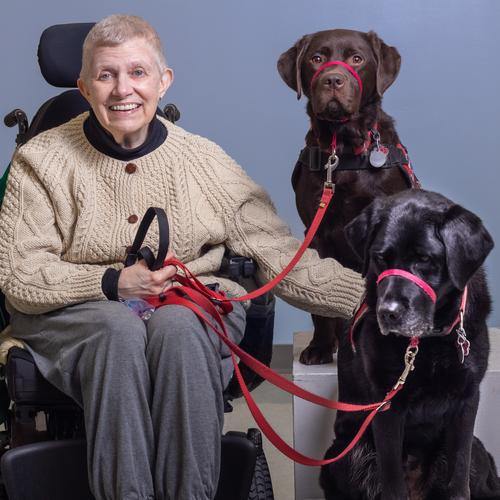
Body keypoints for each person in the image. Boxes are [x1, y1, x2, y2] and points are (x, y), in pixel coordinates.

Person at [0, 14, 364, 500]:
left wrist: (381, 300)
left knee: (175, 329)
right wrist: (113, 285)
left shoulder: (205, 162)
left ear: (163, 81)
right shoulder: (40, 161)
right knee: (118, 330)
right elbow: (20, 275)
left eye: (137, 73)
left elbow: (282, 256)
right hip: (76, 316)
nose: (122, 89)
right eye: (106, 75)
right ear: (85, 88)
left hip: (193, 307)